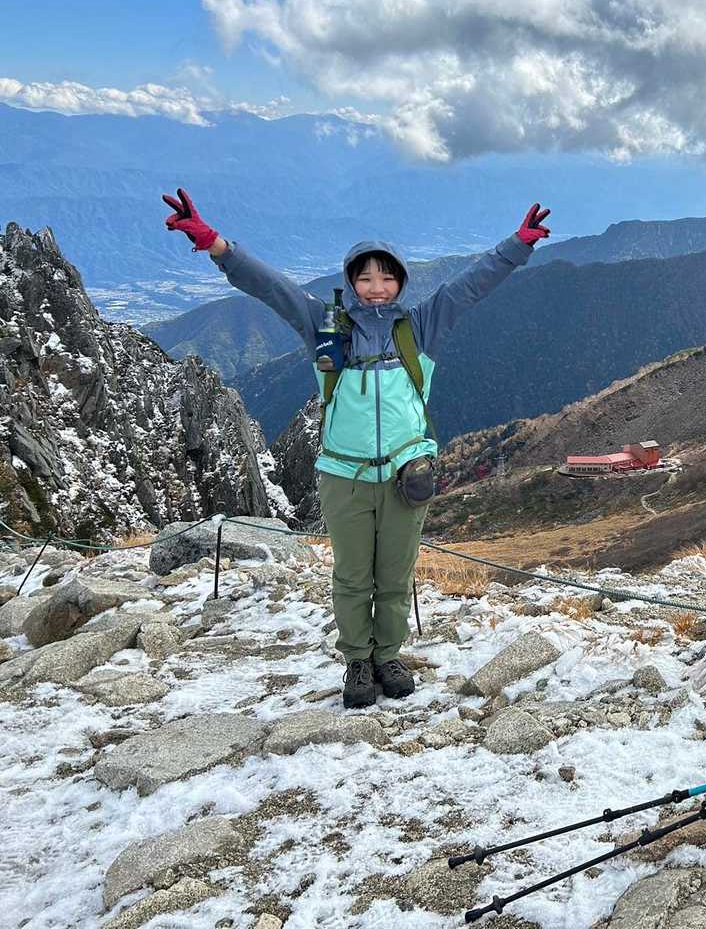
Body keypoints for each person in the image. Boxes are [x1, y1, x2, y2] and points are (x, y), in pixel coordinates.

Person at [162, 188, 551, 707]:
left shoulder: (419, 328)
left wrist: (517, 245)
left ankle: (387, 655)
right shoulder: (327, 329)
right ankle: (357, 662)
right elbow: (273, 288)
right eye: (365, 278)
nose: (376, 288)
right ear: (350, 283)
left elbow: (469, 285)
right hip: (344, 476)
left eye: (386, 277)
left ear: (401, 282)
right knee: (351, 576)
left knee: (394, 574)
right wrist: (217, 245)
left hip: (406, 476)